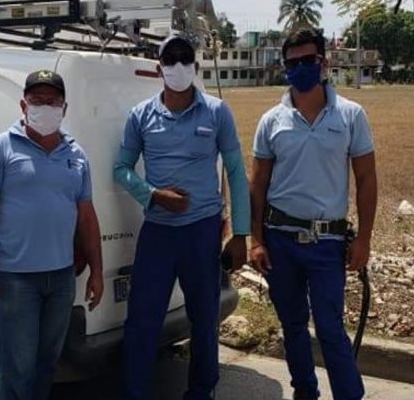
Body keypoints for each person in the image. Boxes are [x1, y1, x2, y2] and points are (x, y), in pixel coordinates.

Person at [113, 32, 251, 400]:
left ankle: (201, 391)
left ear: (196, 66)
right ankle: (135, 392)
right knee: (142, 320)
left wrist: (241, 233)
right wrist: (153, 195)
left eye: (184, 59)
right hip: (158, 232)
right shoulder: (141, 115)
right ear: (159, 68)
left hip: (201, 232)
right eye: (170, 59)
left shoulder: (216, 112)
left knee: (204, 319)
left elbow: (236, 171)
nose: (177, 66)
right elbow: (121, 169)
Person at [249, 28, 378, 400]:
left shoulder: (351, 115)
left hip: (327, 243)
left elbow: (366, 179)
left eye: (309, 60)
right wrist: (257, 240)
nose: (301, 68)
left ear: (324, 62)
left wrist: (364, 239)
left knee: (330, 328)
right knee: (292, 326)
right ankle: (305, 392)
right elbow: (258, 185)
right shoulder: (271, 120)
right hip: (281, 241)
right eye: (293, 63)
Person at [0, 69, 104, 400]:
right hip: (16, 279)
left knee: (47, 364)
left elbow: (87, 217)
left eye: (52, 101)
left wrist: (97, 272)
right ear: (23, 105)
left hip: (61, 278)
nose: (45, 107)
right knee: (18, 368)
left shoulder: (76, 155)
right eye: (37, 100)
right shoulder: (0, 149)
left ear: (64, 108)